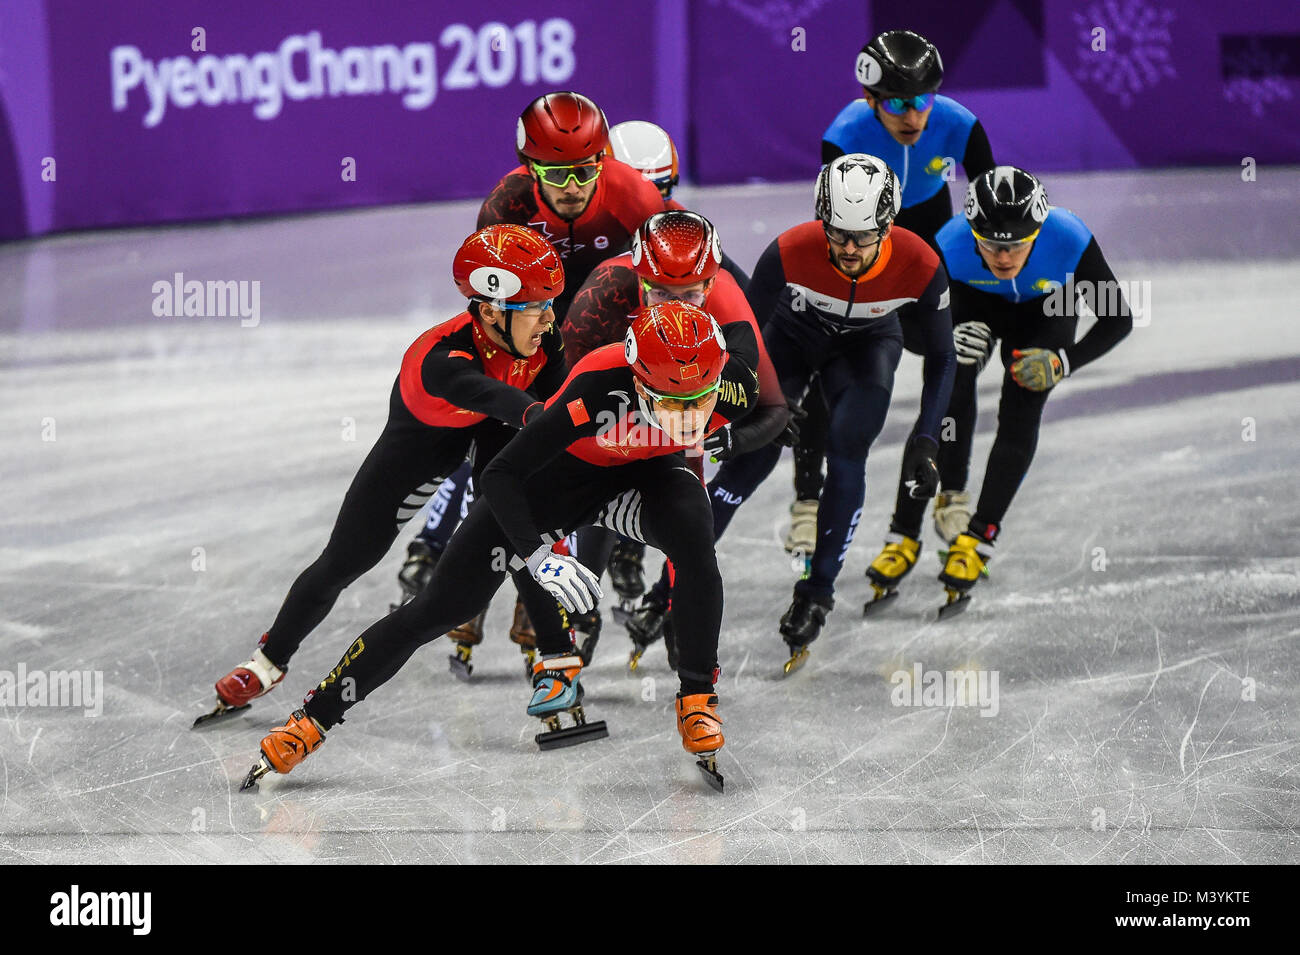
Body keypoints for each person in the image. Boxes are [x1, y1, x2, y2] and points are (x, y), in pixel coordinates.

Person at [239, 302, 759, 793]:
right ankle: (313, 718)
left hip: (644, 480)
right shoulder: (599, 388)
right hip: (552, 483)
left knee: (696, 542)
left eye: (700, 401)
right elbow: (502, 471)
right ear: (639, 381)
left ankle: (697, 697)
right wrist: (537, 554)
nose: (690, 418)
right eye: (670, 403)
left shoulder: (735, 387)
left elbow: (773, 416)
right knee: (437, 610)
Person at [195, 225, 569, 725]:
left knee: (518, 523)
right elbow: (500, 400)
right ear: (488, 309)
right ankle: (267, 661)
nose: (549, 318)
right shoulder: (440, 359)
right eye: (536, 307)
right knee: (346, 561)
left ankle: (557, 659)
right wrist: (542, 419)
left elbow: (543, 406)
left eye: (550, 303)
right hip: (422, 445)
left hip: (497, 431)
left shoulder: (545, 338)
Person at [397, 92, 665, 662]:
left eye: (586, 170)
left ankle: (538, 594)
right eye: (554, 172)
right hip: (531, 325)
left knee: (579, 452)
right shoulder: (505, 206)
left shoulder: (635, 199)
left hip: (598, 325)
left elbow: (665, 287)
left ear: (605, 160)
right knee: (501, 453)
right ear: (528, 168)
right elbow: (487, 306)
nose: (572, 185)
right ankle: (471, 581)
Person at [705, 154, 956, 673]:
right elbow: (743, 337)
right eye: (837, 233)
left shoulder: (922, 263)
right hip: (793, 337)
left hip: (866, 349)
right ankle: (672, 586)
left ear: (888, 226)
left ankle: (817, 590)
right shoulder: (790, 250)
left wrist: (926, 438)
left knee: (847, 451)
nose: (848, 249)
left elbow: (943, 356)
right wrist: (766, 403)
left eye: (864, 237)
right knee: (750, 458)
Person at [864, 166, 1133, 615]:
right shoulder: (948, 244)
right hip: (974, 302)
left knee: (1023, 403)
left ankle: (980, 534)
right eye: (990, 245)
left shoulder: (1069, 236)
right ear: (972, 233)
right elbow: (898, 321)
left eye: (1016, 245)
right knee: (948, 388)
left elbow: (1118, 318)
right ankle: (903, 533)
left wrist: (1063, 362)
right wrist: (942, 342)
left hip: (1047, 309)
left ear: (1039, 232)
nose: (1004, 257)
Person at [787, 29, 997, 556]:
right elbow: (832, 222)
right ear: (871, 100)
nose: (914, 116)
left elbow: (991, 219)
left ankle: (952, 492)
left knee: (958, 360)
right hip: (865, 244)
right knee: (824, 364)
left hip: (930, 244)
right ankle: (808, 503)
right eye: (899, 104)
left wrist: (983, 299)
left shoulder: (961, 125)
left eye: (923, 100)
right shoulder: (843, 134)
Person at [560, 210, 789, 665]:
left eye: (688, 294)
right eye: (660, 292)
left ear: (710, 284)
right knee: (598, 489)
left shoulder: (727, 301)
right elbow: (562, 410)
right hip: (613, 402)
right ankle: (582, 609)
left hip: (684, 414)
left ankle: (670, 605)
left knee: (690, 520)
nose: (673, 307)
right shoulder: (603, 296)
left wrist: (732, 439)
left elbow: (772, 408)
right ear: (639, 280)